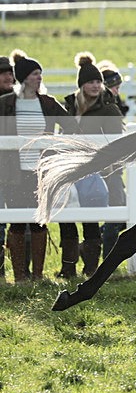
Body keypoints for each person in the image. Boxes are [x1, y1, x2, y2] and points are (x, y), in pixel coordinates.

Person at [0, 49, 78, 282]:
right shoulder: (6, 103)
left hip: (41, 172)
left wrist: (54, 146)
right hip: (13, 173)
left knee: (39, 222)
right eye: (35, 74)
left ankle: (37, 275)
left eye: (40, 74)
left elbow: (71, 127)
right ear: (24, 77)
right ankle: (19, 276)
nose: (39, 77)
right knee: (16, 222)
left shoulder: (47, 103)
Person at [57, 52, 124, 278]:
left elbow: (116, 143)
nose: (96, 85)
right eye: (90, 82)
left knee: (91, 220)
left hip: (97, 171)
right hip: (71, 168)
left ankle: (91, 269)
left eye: (98, 81)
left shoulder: (109, 109)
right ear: (82, 85)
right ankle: (68, 268)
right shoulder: (70, 107)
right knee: (66, 219)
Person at [97, 59, 129, 258]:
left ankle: (98, 248)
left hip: (115, 166)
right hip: (107, 167)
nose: (117, 90)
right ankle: (108, 257)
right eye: (115, 86)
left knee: (122, 214)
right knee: (117, 213)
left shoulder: (113, 104)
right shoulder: (104, 107)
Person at [0, 55, 14, 280]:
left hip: (13, 170)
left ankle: (23, 272)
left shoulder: (16, 102)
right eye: (3, 73)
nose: (8, 77)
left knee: (20, 222)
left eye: (10, 73)